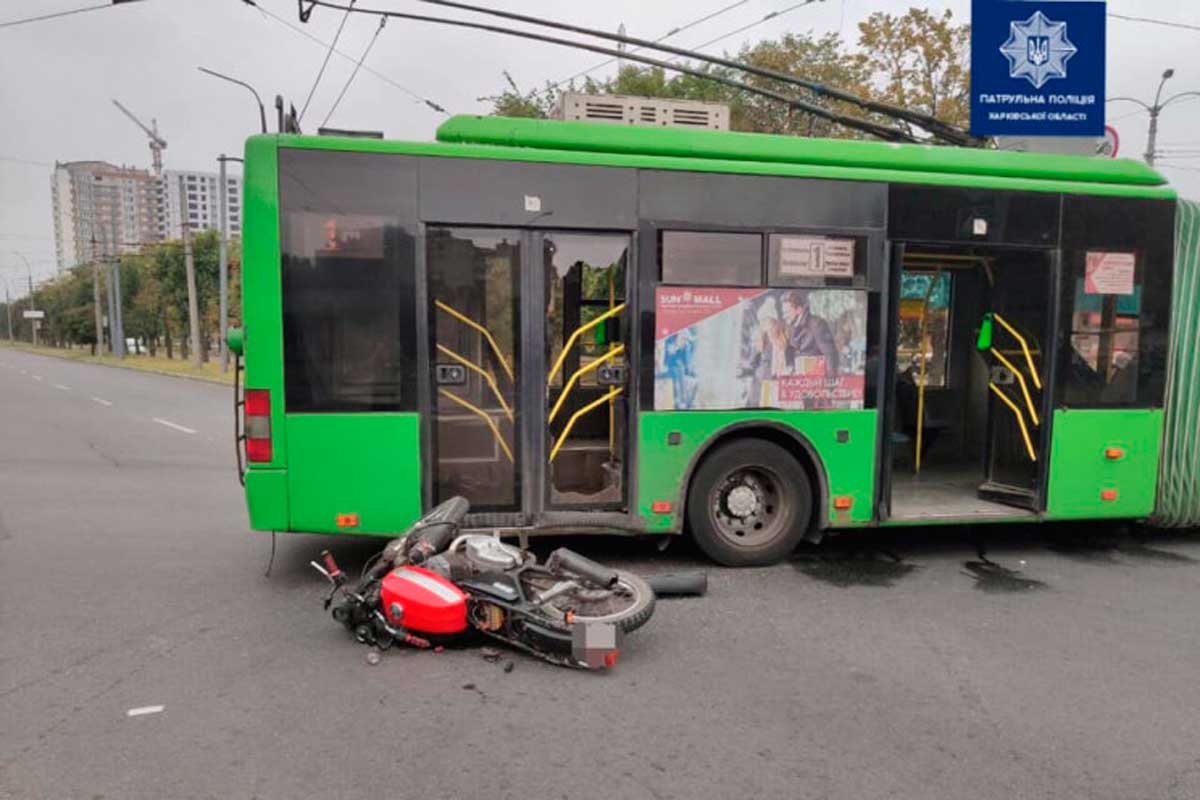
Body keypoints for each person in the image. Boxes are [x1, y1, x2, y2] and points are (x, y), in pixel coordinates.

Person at [781, 289, 839, 375]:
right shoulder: (791, 326)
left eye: (787, 312)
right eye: (783, 313)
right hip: (802, 379)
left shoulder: (817, 324)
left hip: (817, 379)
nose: (784, 316)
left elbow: (830, 355)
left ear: (799, 310)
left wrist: (830, 385)